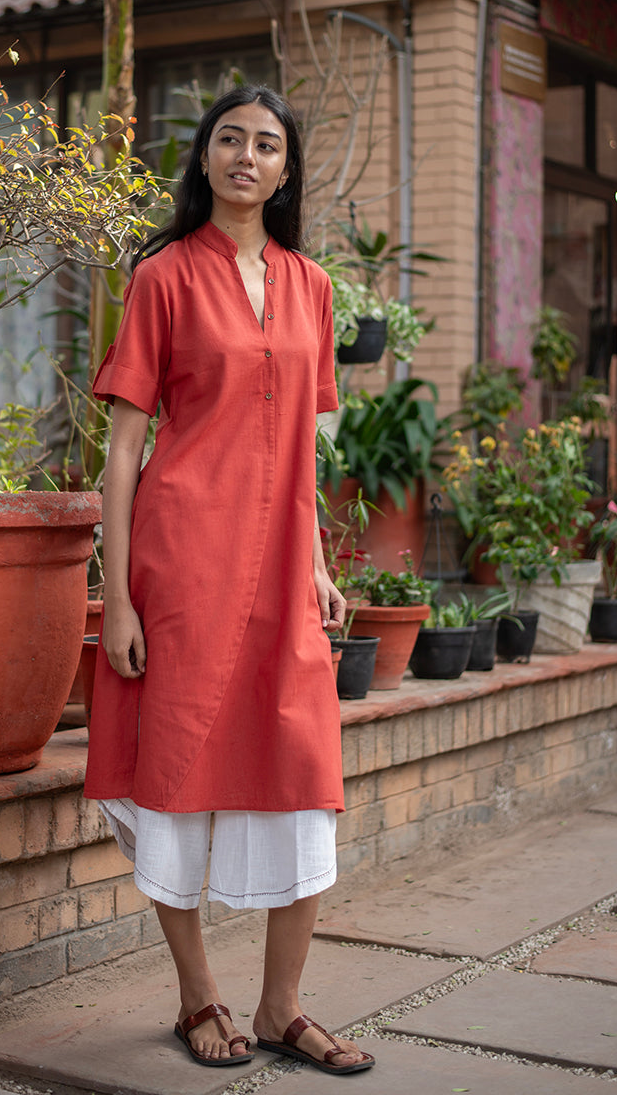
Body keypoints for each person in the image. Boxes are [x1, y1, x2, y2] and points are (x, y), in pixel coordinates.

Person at [84, 84, 375, 1076]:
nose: (247, 156)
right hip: (181, 563)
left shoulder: (314, 286)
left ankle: (284, 1006)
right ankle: (198, 997)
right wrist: (117, 593)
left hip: (281, 567)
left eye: (267, 144)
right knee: (176, 776)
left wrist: (322, 563)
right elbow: (124, 449)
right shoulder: (162, 276)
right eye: (229, 140)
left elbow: (302, 443)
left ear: (287, 168)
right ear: (204, 159)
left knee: (303, 775)